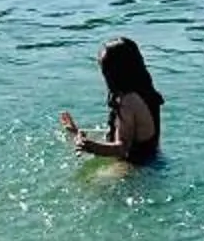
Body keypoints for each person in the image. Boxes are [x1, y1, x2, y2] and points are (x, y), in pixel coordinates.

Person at [60, 38, 165, 168]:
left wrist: (90, 146)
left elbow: (122, 148)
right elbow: (125, 134)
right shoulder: (145, 91)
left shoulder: (128, 101)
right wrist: (77, 132)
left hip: (136, 167)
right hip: (152, 160)